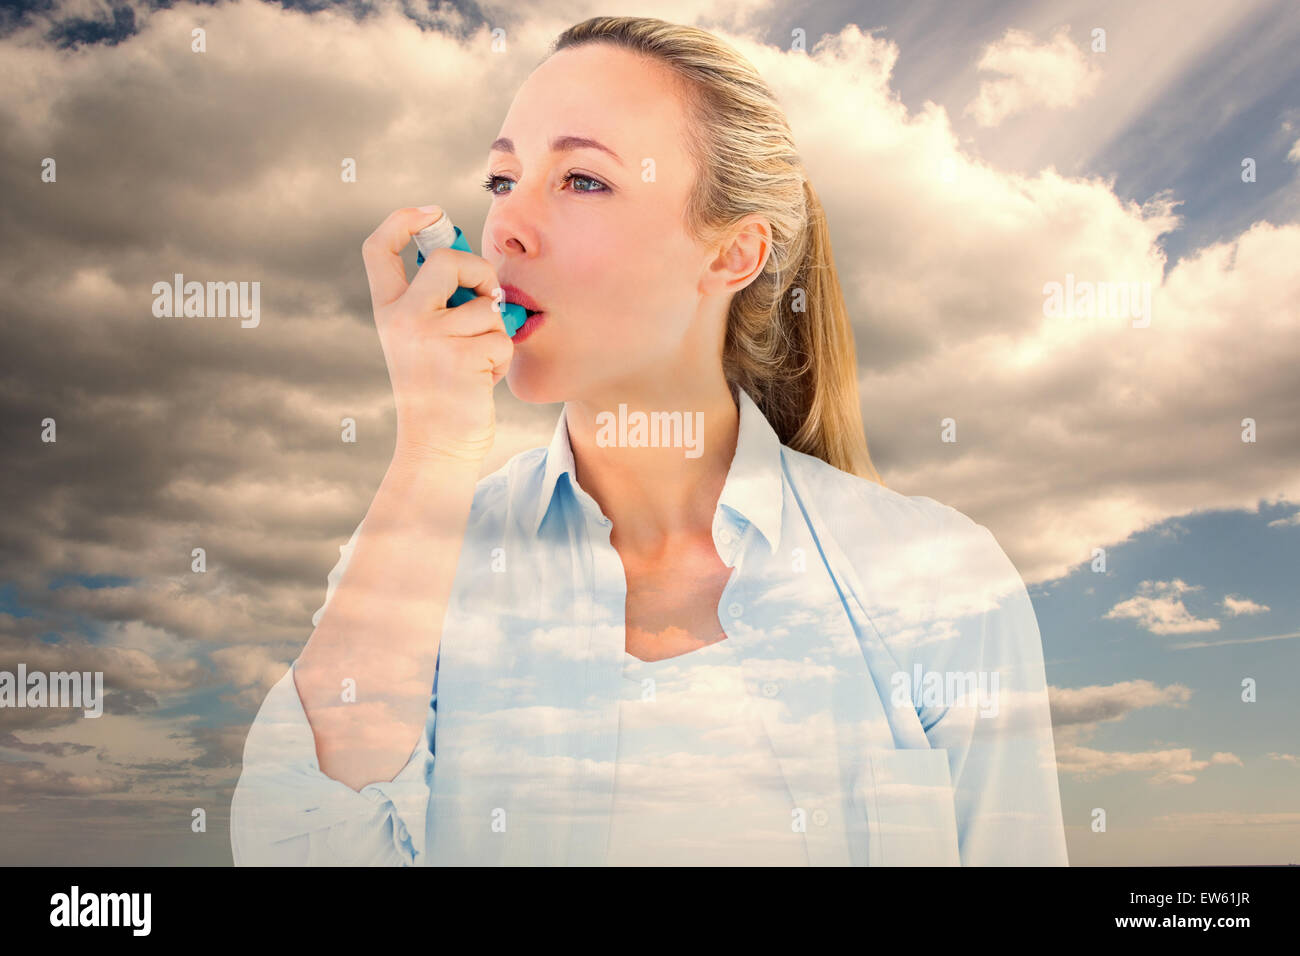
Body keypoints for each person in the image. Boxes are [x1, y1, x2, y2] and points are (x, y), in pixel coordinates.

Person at [230, 15, 1068, 866]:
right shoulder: (422, 559)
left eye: (583, 180)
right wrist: (434, 450)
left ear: (732, 253)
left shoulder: (941, 583)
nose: (505, 229)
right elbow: (292, 849)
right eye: (501, 179)